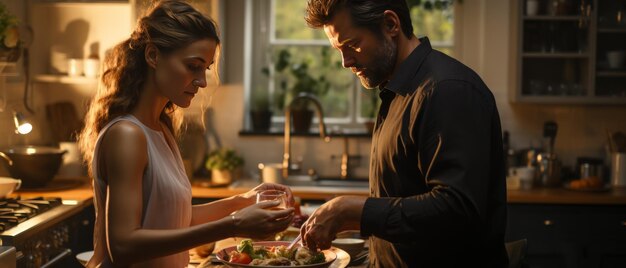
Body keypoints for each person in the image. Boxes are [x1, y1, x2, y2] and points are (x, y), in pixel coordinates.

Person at [78, 1, 294, 267]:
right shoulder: (126, 134)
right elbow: (123, 245)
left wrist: (242, 200)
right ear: (153, 56)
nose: (202, 81)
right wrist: (232, 225)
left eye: (205, 68)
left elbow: (175, 219)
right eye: (193, 66)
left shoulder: (161, 130)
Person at [300, 0, 508, 267]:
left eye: (352, 44)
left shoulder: (447, 91)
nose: (346, 61)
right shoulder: (397, 92)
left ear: (390, 24)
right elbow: (406, 211)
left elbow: (457, 210)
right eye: (339, 50)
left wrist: (352, 209)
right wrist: (345, 220)